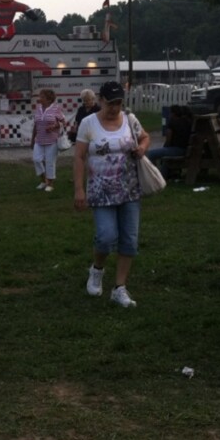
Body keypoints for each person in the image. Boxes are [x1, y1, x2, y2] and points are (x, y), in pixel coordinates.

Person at [73, 80, 149, 308]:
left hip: (129, 189)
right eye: (110, 103)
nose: (114, 108)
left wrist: (143, 148)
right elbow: (79, 157)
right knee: (105, 237)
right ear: (100, 100)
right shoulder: (88, 123)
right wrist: (79, 189)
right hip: (101, 190)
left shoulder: (130, 120)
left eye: (118, 103)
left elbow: (144, 137)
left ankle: (119, 288)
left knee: (129, 240)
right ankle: (97, 269)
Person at [31, 88, 66, 192]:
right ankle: (43, 181)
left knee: (50, 162)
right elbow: (36, 124)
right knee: (36, 160)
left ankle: (50, 183)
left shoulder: (56, 109)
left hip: (52, 140)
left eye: (42, 97)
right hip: (39, 140)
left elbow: (63, 122)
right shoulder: (38, 108)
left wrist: (54, 125)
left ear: (49, 99)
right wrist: (32, 139)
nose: (39, 98)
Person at [146, 104, 193, 179]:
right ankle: (161, 176)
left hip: (177, 149)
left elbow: (168, 139)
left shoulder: (173, 122)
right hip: (186, 149)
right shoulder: (188, 122)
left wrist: (165, 147)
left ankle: (153, 176)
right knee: (166, 160)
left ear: (173, 113)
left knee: (150, 154)